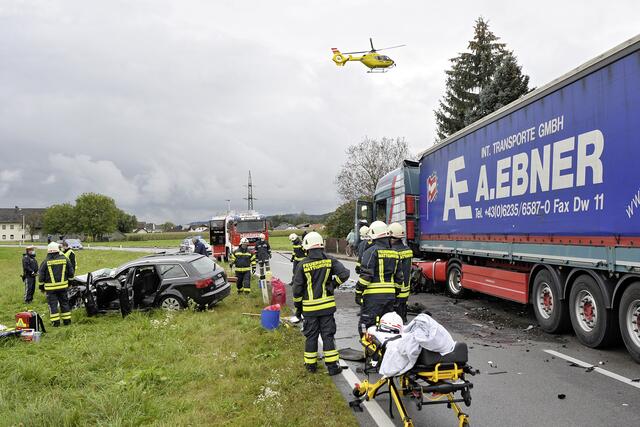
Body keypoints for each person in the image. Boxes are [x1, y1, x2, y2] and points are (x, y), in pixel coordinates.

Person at [293, 232, 350, 375]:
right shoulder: (329, 260)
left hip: (310, 309)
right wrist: (333, 285)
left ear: (307, 247)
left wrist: (298, 310)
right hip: (327, 308)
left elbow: (297, 291)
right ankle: (332, 367)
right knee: (328, 336)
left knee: (311, 336)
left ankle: (311, 366)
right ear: (321, 245)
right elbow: (345, 274)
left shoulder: (302, 265)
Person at [356, 221, 403, 336]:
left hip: (373, 297)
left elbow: (366, 276)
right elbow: (399, 278)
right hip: (390, 297)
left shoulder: (370, 252)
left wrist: (358, 292)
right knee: (386, 327)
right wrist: (395, 294)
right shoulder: (395, 253)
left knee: (366, 326)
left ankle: (369, 352)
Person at [38, 242, 74, 326]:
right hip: (63, 287)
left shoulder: (45, 262)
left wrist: (41, 287)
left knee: (53, 305)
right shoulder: (65, 259)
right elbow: (71, 272)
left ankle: (56, 323)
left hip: (50, 289)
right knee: (64, 303)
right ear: (58, 250)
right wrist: (70, 282)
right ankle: (67, 321)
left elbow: (41, 276)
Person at [389, 222, 413, 322]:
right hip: (406, 286)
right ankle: (403, 319)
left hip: (397, 287)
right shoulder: (408, 250)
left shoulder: (393, 252)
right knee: (403, 307)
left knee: (396, 316)